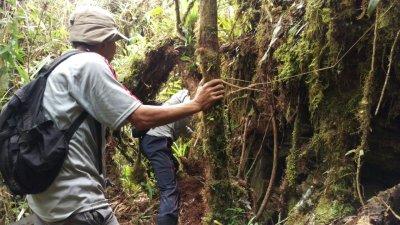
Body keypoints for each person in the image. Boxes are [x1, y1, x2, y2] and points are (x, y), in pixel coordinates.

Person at [27, 6, 224, 225]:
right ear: (103, 40)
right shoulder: (88, 64)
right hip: (77, 202)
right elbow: (140, 117)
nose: (115, 49)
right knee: (169, 188)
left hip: (46, 203)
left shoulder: (57, 68)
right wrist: (197, 104)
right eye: (114, 42)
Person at [138, 89, 192, 225]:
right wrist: (200, 103)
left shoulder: (179, 111)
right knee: (169, 188)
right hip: (156, 141)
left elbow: (183, 128)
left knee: (174, 165)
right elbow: (189, 107)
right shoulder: (185, 94)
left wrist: (197, 136)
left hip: (156, 142)